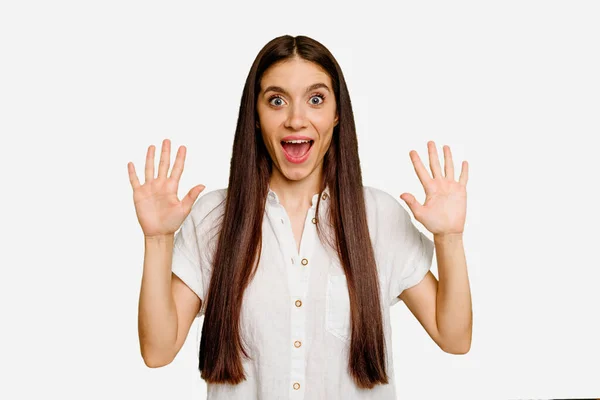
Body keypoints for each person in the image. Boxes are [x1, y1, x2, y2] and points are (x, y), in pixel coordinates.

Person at [128, 34, 472, 399]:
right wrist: (158, 239)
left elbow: (453, 337)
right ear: (256, 117)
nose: (296, 119)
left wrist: (449, 238)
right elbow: (158, 351)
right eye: (276, 101)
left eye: (316, 99)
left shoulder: (379, 217)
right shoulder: (215, 217)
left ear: (337, 114)